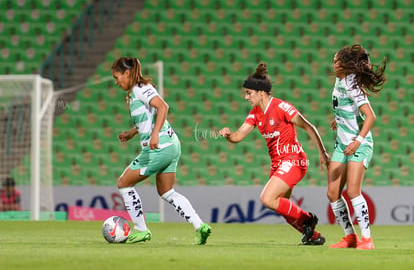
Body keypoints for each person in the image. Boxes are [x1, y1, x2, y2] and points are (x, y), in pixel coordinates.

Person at [219, 62, 330, 245]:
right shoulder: (255, 113)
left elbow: (309, 127)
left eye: (249, 93)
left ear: (261, 92)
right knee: (283, 209)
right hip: (278, 164)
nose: (246, 97)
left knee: (267, 198)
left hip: (294, 159)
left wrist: (322, 153)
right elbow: (238, 136)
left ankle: (308, 219)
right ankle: (314, 236)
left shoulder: (281, 107)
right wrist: (228, 135)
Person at [111, 57, 211, 244]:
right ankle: (200, 226)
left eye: (117, 77)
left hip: (159, 147)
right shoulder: (136, 91)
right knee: (166, 191)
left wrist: (155, 134)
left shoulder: (140, 89)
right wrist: (132, 133)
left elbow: (163, 106)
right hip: (172, 144)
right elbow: (150, 116)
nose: (116, 82)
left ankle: (141, 229)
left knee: (124, 183)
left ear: (127, 73)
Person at [327, 44, 386, 250]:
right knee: (332, 193)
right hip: (342, 143)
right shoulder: (340, 80)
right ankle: (350, 237)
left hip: (359, 144)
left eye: (336, 61)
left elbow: (370, 116)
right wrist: (339, 119)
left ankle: (367, 240)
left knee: (353, 191)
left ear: (346, 65)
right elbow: (348, 107)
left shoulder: (351, 83)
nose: (333, 64)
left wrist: (357, 141)